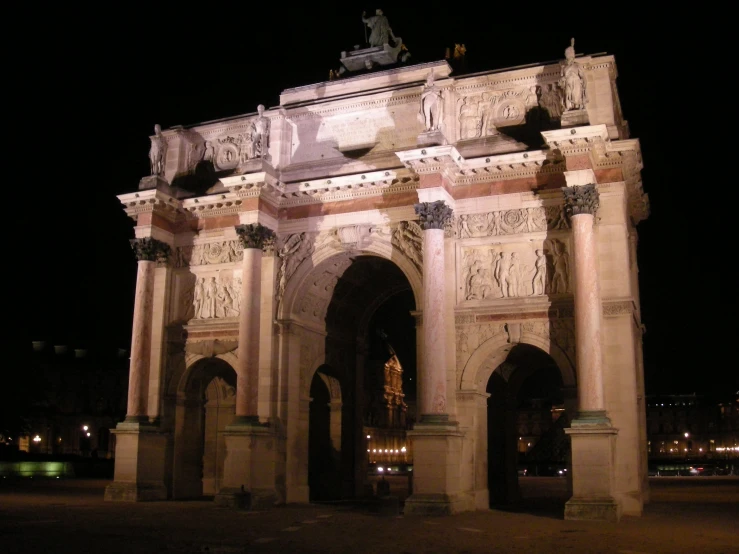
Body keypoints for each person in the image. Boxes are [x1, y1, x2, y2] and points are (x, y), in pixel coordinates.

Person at [560, 38, 587, 111]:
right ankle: (569, 107)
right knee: (567, 95)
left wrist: (583, 81)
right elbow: (561, 79)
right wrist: (562, 80)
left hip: (576, 82)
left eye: (568, 54)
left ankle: (577, 107)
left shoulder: (577, 65)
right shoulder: (563, 67)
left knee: (576, 96)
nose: (567, 56)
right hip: (568, 83)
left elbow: (582, 76)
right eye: (567, 54)